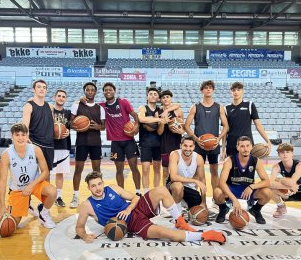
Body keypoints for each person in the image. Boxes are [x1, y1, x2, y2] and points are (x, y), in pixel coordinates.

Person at [75, 171, 226, 244]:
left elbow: (135, 197)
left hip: (134, 209)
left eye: (99, 184)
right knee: (165, 233)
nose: (98, 188)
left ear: (103, 182)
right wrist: (84, 236)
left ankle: (180, 221)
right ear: (88, 188)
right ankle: (206, 235)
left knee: (161, 190)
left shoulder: (113, 188)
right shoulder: (87, 206)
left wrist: (128, 209)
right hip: (132, 224)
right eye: (93, 186)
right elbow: (80, 228)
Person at [0, 123, 57, 229]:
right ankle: (27, 205)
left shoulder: (35, 149)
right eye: (17, 135)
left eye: (23, 135)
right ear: (12, 136)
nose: (20, 138)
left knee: (52, 192)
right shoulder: (6, 155)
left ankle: (44, 214)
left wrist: (31, 185)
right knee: (12, 225)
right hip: (18, 190)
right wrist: (2, 206)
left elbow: (45, 171)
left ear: (27, 136)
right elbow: (2, 181)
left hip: (35, 184)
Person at [213, 136, 272, 224]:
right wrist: (234, 200)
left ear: (252, 147)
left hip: (247, 190)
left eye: (248, 146)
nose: (245, 149)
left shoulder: (256, 161)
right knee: (217, 192)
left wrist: (252, 187)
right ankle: (223, 209)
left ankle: (256, 210)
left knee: (267, 192)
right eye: (242, 146)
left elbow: (267, 181)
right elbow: (222, 182)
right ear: (237, 147)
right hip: (232, 189)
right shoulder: (229, 161)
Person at [184, 80, 228, 191]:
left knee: (214, 171)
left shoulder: (219, 107)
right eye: (206, 87)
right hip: (199, 145)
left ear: (213, 90)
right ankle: (197, 198)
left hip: (213, 145)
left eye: (210, 87)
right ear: (202, 90)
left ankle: (215, 198)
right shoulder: (195, 107)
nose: (208, 89)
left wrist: (218, 138)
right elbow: (186, 126)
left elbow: (226, 126)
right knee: (198, 172)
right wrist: (196, 139)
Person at [98, 82, 141, 194]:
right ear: (103, 93)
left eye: (110, 89)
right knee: (119, 170)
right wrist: (82, 100)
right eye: (106, 90)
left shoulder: (123, 102)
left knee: (134, 167)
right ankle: (121, 193)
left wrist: (136, 127)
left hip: (129, 141)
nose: (108, 91)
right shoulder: (102, 106)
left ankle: (138, 192)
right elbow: (89, 104)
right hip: (115, 144)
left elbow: (135, 116)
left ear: (114, 91)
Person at [70, 82, 106, 208]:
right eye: (88, 90)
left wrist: (97, 126)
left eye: (92, 90)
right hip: (81, 142)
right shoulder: (76, 105)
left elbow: (103, 126)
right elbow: (70, 123)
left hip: (95, 142)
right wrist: (76, 126)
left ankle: (100, 195)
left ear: (95, 92)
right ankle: (75, 196)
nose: (90, 91)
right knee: (78, 170)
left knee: (97, 171)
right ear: (85, 91)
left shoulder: (99, 108)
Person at [269, 143, 301, 224]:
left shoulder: (300, 165)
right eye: (282, 152)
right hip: (288, 192)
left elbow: (292, 182)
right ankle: (281, 207)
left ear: (292, 153)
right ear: (278, 154)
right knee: (269, 189)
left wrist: (279, 180)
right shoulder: (276, 167)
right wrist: (284, 184)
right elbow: (269, 183)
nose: (285, 154)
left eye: (287, 152)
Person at [225, 81, 271, 157]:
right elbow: (225, 130)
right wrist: (223, 149)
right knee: (232, 168)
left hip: (247, 144)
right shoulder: (226, 108)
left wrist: (268, 141)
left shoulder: (250, 105)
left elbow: (258, 125)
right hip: (231, 144)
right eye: (233, 90)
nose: (236, 92)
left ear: (242, 91)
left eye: (238, 90)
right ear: (231, 92)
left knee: (249, 168)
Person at [22, 79, 57, 174]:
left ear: (46, 90)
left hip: (49, 144)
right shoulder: (28, 106)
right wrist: (26, 140)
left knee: (46, 174)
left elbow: (52, 124)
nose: (42, 89)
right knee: (31, 174)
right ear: (33, 90)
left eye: (44, 87)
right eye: (39, 87)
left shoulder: (50, 107)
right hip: (34, 143)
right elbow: (24, 126)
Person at [167, 136, 207, 212]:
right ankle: (177, 213)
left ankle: (184, 203)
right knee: (178, 186)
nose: (188, 149)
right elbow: (173, 177)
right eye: (185, 145)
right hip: (173, 186)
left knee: (198, 212)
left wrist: (203, 202)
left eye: (190, 146)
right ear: (180, 145)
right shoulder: (175, 154)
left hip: (189, 188)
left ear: (194, 147)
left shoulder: (198, 158)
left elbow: (202, 180)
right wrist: (195, 181)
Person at [157, 90, 185, 184]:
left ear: (171, 98)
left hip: (176, 143)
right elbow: (159, 133)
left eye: (167, 97)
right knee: (165, 171)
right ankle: (165, 193)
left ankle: (177, 192)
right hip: (164, 144)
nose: (165, 99)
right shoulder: (158, 113)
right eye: (163, 97)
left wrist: (182, 131)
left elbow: (183, 128)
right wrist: (162, 122)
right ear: (160, 100)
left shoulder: (178, 111)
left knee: (177, 171)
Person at [51, 89, 71, 207]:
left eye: (63, 96)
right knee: (46, 173)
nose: (61, 98)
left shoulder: (68, 113)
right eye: (59, 96)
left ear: (65, 99)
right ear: (55, 97)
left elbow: (71, 126)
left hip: (63, 146)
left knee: (60, 173)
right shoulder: (49, 111)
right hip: (50, 146)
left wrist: (68, 131)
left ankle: (58, 197)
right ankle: (46, 196)